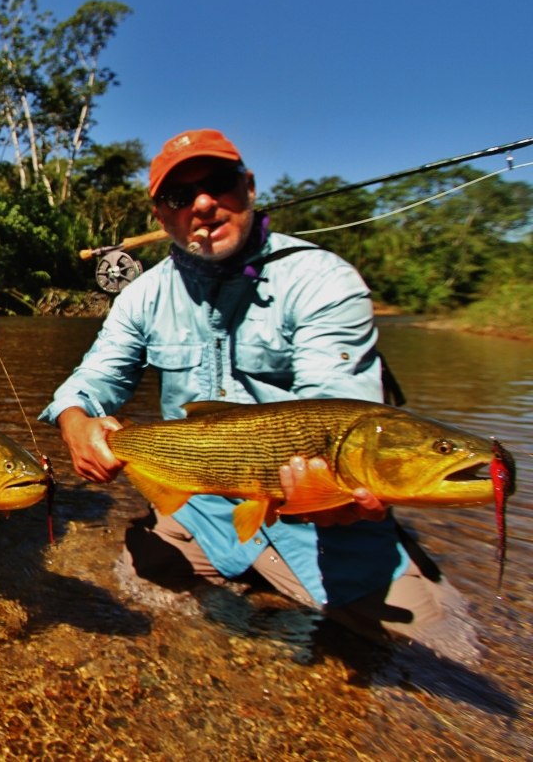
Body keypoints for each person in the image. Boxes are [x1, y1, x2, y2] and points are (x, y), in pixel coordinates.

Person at [42, 128, 479, 662]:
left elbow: (340, 414)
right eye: (181, 196)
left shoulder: (322, 280)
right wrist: (76, 420)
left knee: (441, 654)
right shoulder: (142, 296)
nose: (203, 204)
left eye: (219, 184)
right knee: (140, 589)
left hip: (321, 528)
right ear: (162, 215)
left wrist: (335, 492)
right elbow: (92, 381)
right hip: (202, 510)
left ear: (247, 188)